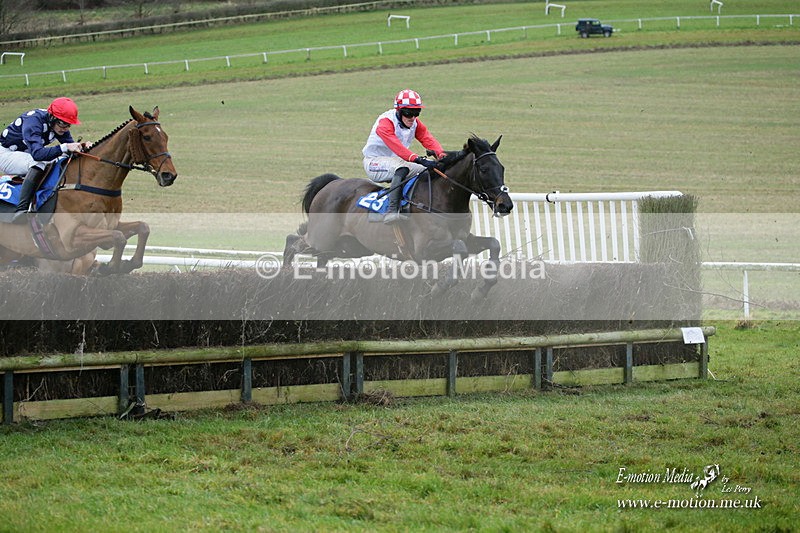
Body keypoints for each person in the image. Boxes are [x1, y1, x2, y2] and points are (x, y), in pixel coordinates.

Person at [362, 89, 446, 224]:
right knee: (402, 167)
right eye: (408, 113)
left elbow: (427, 139)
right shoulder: (385, 122)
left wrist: (441, 155)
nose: (412, 118)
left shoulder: (415, 123)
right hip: (374, 163)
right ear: (398, 111)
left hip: (397, 161)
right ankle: (391, 211)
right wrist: (418, 159)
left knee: (429, 170)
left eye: (416, 113)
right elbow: (397, 147)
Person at [0, 97, 85, 224]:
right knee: (38, 163)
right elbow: (38, 154)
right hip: (6, 153)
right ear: (52, 117)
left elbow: (71, 147)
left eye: (68, 124)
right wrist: (65, 147)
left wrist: (84, 147)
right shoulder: (33, 120)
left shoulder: (58, 126)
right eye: (62, 123)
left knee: (60, 159)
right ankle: (22, 209)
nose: (65, 128)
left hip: (24, 153)